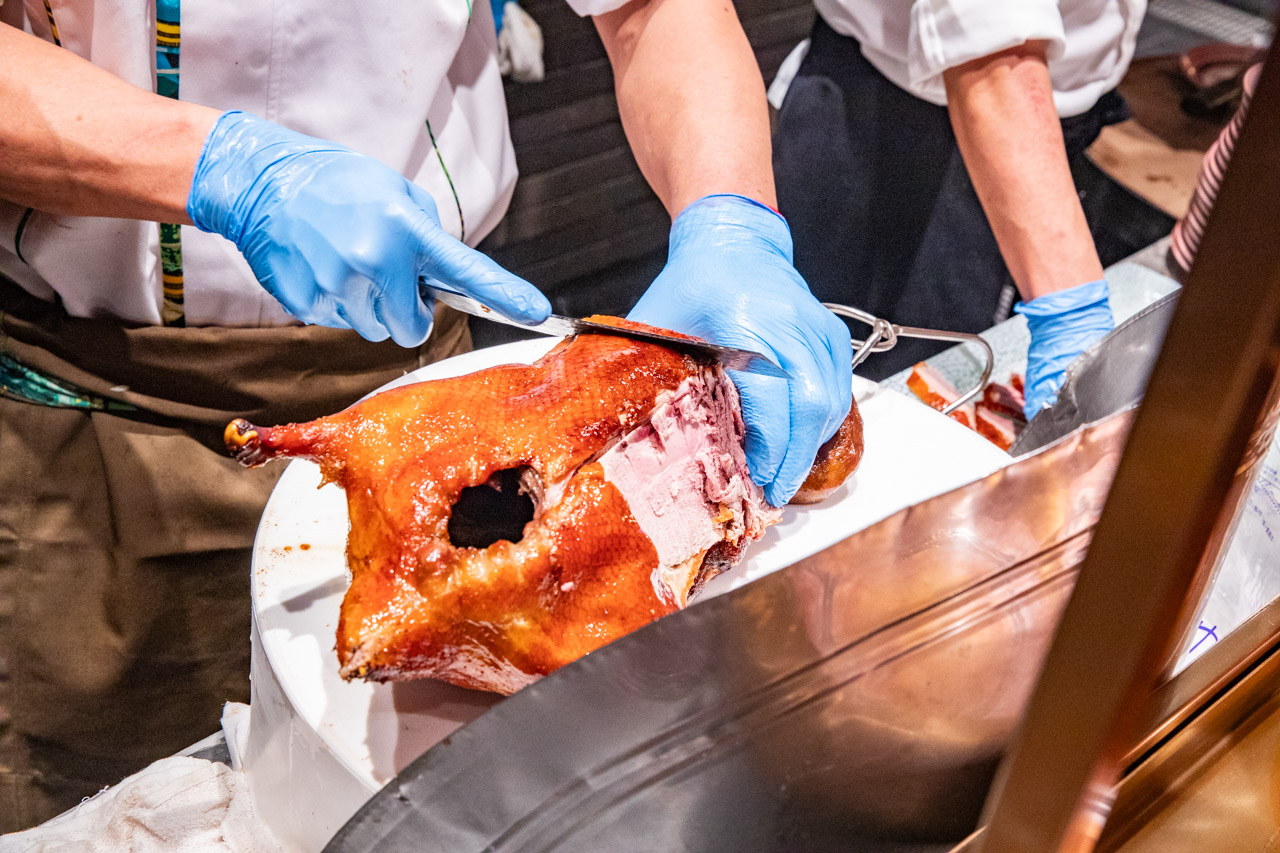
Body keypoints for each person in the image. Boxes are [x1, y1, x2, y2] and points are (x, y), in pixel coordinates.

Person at [0, 0, 852, 829]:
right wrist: (219, 166)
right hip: (97, 411)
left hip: (430, 379)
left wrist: (730, 216)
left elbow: (653, 11)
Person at [772, 0, 1142, 416]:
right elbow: (990, 34)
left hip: (1037, 138)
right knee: (851, 411)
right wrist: (1072, 311)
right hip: (895, 135)